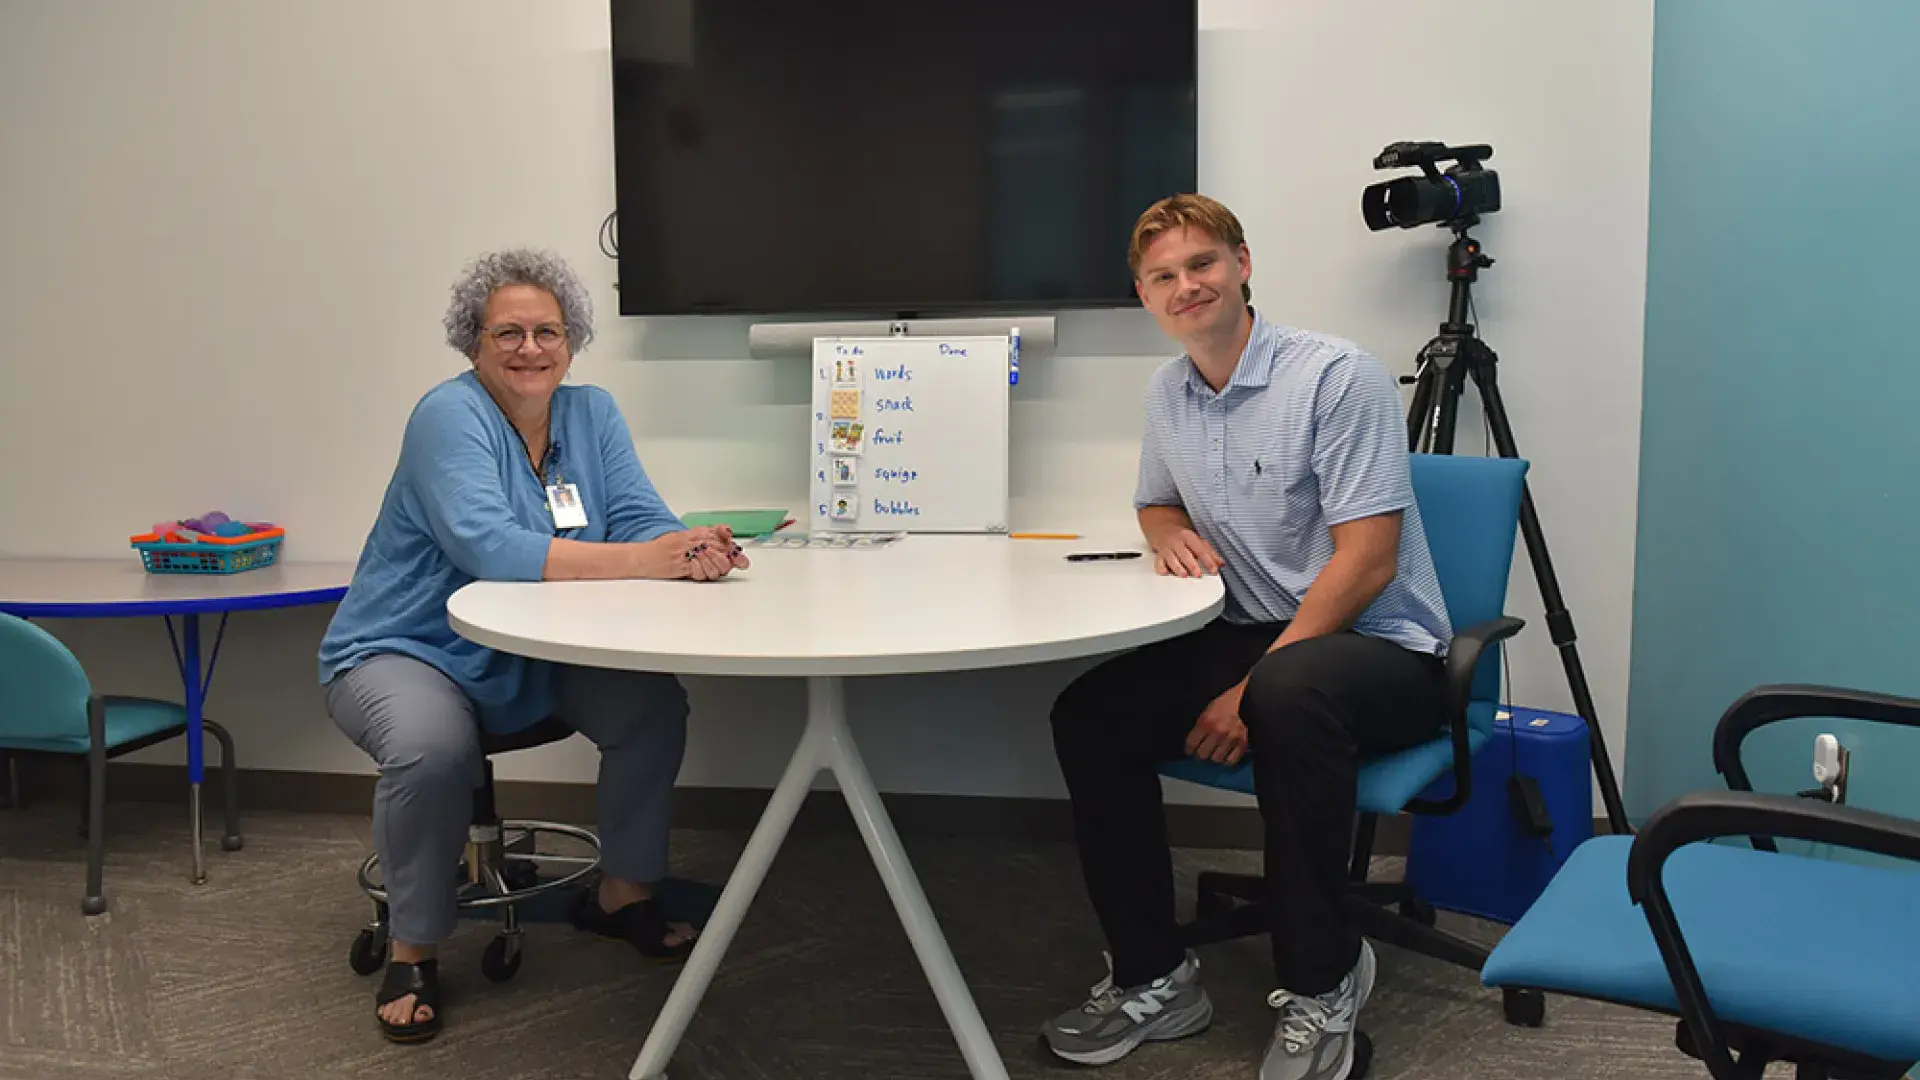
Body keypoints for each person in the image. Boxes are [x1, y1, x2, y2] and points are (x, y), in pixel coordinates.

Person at [1040, 195, 1453, 1080]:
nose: (1186, 286)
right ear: (1144, 296)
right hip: (1257, 634)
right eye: (1164, 276)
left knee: (1284, 694)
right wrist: (1163, 531)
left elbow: (1370, 561)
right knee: (1089, 713)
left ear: (1242, 264)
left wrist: (1252, 683)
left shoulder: (1337, 375)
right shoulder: (1168, 390)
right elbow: (1156, 497)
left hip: (1385, 648)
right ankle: (1156, 976)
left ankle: (1323, 983)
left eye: (1203, 265)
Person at [317, 248, 749, 1045]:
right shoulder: (447, 415)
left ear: (572, 340)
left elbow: (641, 517)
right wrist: (642, 560)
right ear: (472, 342)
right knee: (429, 747)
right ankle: (414, 947)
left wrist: (689, 549)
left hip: (527, 653)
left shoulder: (593, 414)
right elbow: (492, 547)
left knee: (650, 703)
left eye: (547, 331)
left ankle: (622, 891)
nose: (529, 349)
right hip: (406, 649)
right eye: (507, 332)